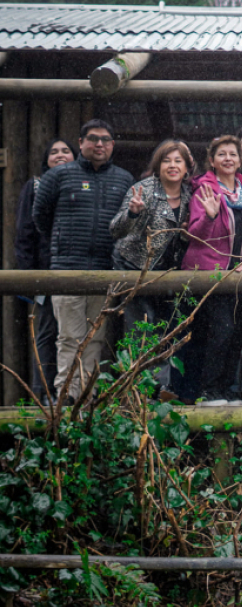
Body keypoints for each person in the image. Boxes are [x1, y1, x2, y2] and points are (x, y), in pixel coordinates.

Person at [32, 119, 134, 402]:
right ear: (81, 143)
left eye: (105, 139)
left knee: (95, 337)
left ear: (112, 145)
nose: (99, 144)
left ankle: (86, 398)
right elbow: (41, 218)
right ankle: (66, 397)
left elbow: (127, 225)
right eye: (93, 138)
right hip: (67, 270)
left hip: (105, 270)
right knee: (68, 337)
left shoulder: (124, 179)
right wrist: (64, 244)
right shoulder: (58, 176)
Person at [177, 135, 242, 404]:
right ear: (212, 161)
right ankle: (207, 390)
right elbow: (194, 234)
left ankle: (225, 388)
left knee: (236, 333)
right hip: (209, 271)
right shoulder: (204, 188)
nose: (228, 159)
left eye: (233, 154)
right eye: (222, 154)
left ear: (239, 160)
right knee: (219, 331)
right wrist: (210, 216)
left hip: (239, 273)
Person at [110, 139, 194, 339]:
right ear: (158, 165)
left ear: (186, 168)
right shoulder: (143, 190)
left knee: (165, 334)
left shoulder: (190, 196)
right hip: (134, 270)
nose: (172, 165)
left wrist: (184, 237)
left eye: (178, 161)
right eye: (166, 160)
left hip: (168, 276)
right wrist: (132, 214)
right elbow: (115, 230)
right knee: (139, 334)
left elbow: (181, 241)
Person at [16, 139, 76, 402]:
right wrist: (30, 277)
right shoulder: (36, 186)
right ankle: (43, 392)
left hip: (78, 270)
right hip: (46, 271)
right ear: (46, 159)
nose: (60, 155)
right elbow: (24, 233)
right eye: (54, 152)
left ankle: (73, 393)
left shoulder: (81, 184)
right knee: (48, 331)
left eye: (66, 151)